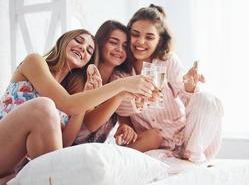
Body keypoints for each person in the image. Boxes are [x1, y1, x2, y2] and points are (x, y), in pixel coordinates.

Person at [0, 29, 155, 180]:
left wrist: (89, 100)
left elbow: (63, 145)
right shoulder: (35, 61)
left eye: (89, 50)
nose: (83, 48)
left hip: (17, 169)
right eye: (78, 41)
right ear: (64, 41)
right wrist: (121, 85)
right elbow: (68, 104)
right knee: (43, 107)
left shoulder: (69, 92)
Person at [112, 4, 224, 163]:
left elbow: (189, 99)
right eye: (135, 34)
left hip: (186, 138)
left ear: (159, 40)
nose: (140, 42)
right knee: (156, 166)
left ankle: (192, 156)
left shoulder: (167, 61)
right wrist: (141, 97)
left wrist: (189, 86)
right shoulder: (120, 73)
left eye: (149, 37)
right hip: (156, 145)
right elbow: (122, 110)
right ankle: (187, 164)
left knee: (208, 100)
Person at [65, 20, 162, 152]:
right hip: (75, 148)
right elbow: (89, 124)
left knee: (155, 136)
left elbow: (124, 121)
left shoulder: (119, 79)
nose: (119, 49)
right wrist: (120, 92)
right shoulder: (82, 77)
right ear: (99, 43)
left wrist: (125, 129)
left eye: (124, 46)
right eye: (113, 42)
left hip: (100, 148)